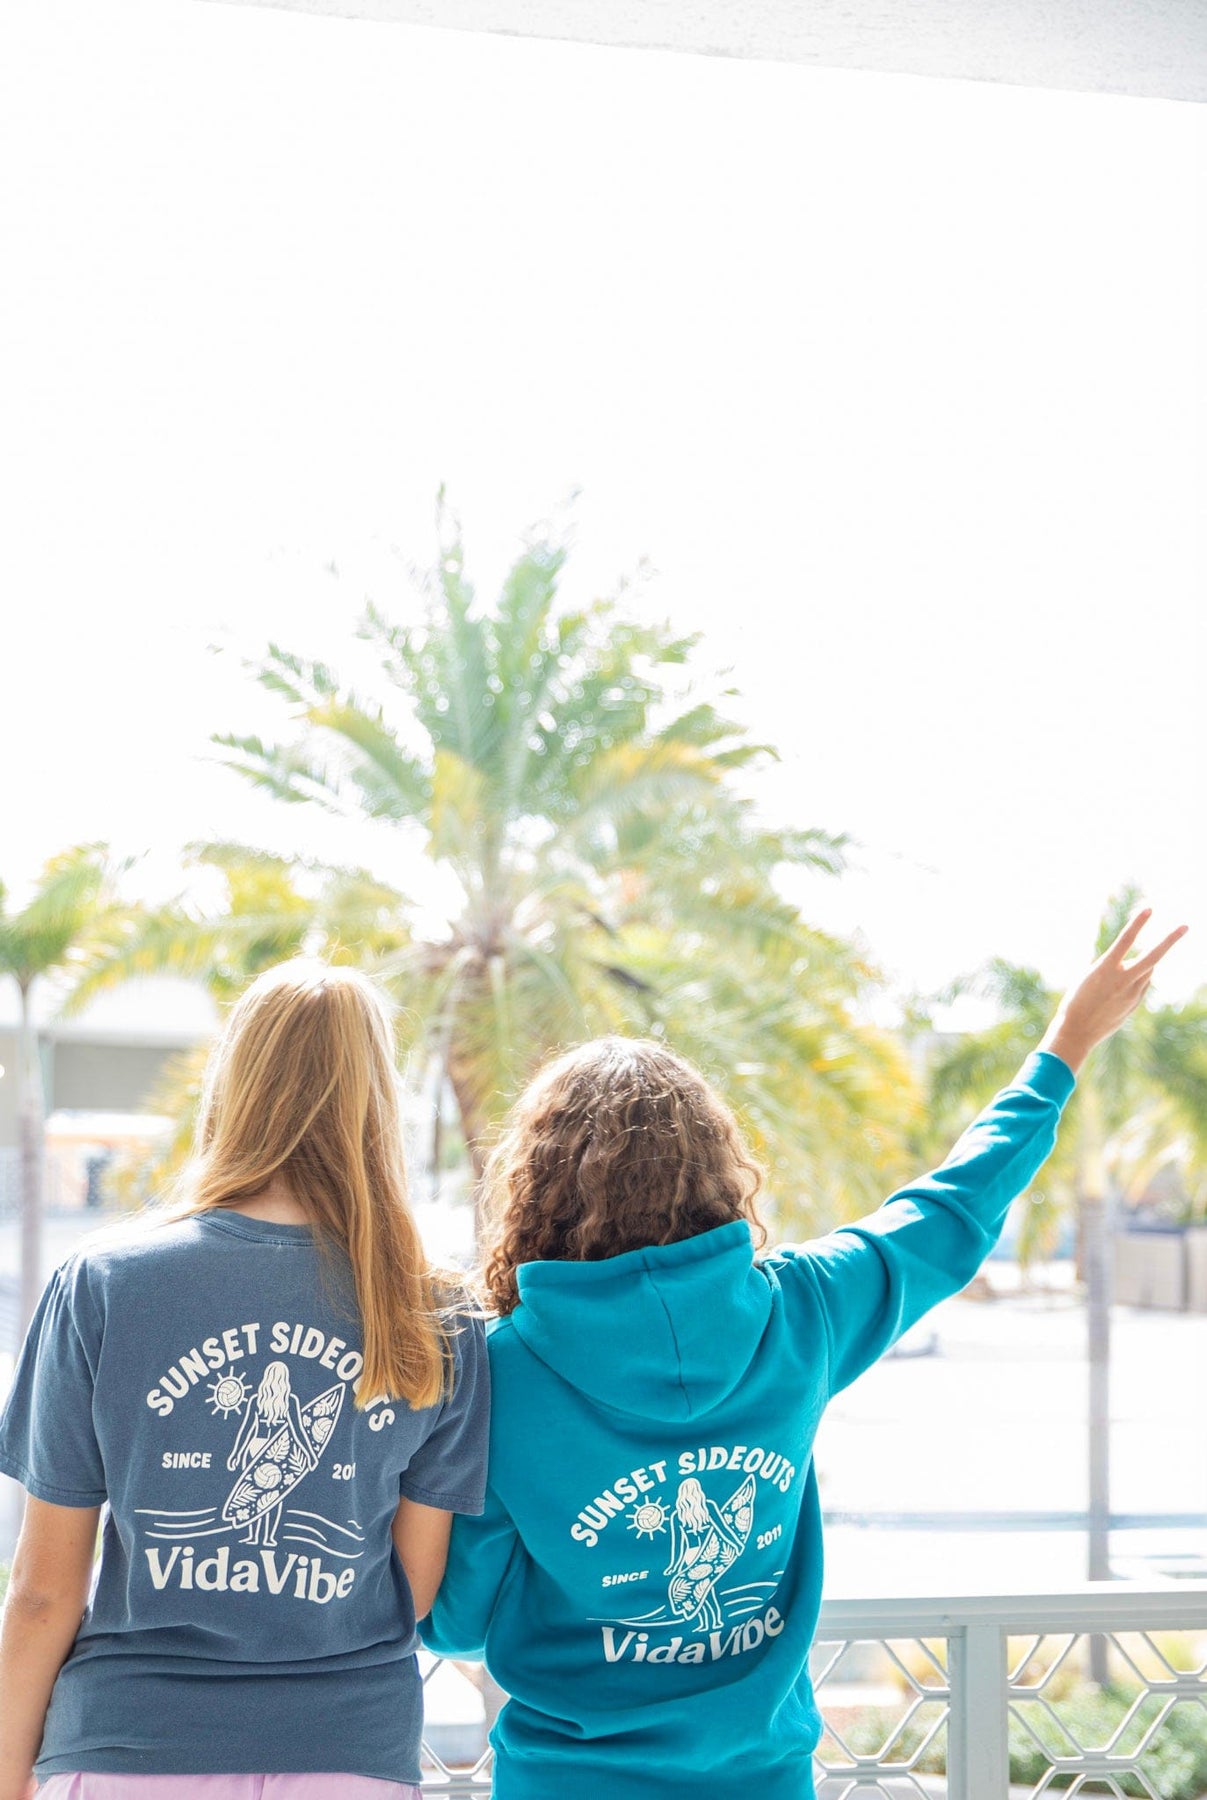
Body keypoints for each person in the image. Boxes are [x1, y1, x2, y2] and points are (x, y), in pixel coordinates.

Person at [424, 910, 1186, 1800]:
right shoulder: (804, 1311)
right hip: (764, 1779)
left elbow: (459, 1622)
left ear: (535, 1189)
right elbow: (953, 1210)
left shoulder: (495, 1376)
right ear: (716, 1173)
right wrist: (1065, 1044)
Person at [0, 959, 490, 1800]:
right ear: (378, 1101)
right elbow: (409, 1588)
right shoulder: (436, 1309)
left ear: (233, 1085)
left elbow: (45, 1593)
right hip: (348, 1753)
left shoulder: (106, 1284)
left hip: (131, 1745)